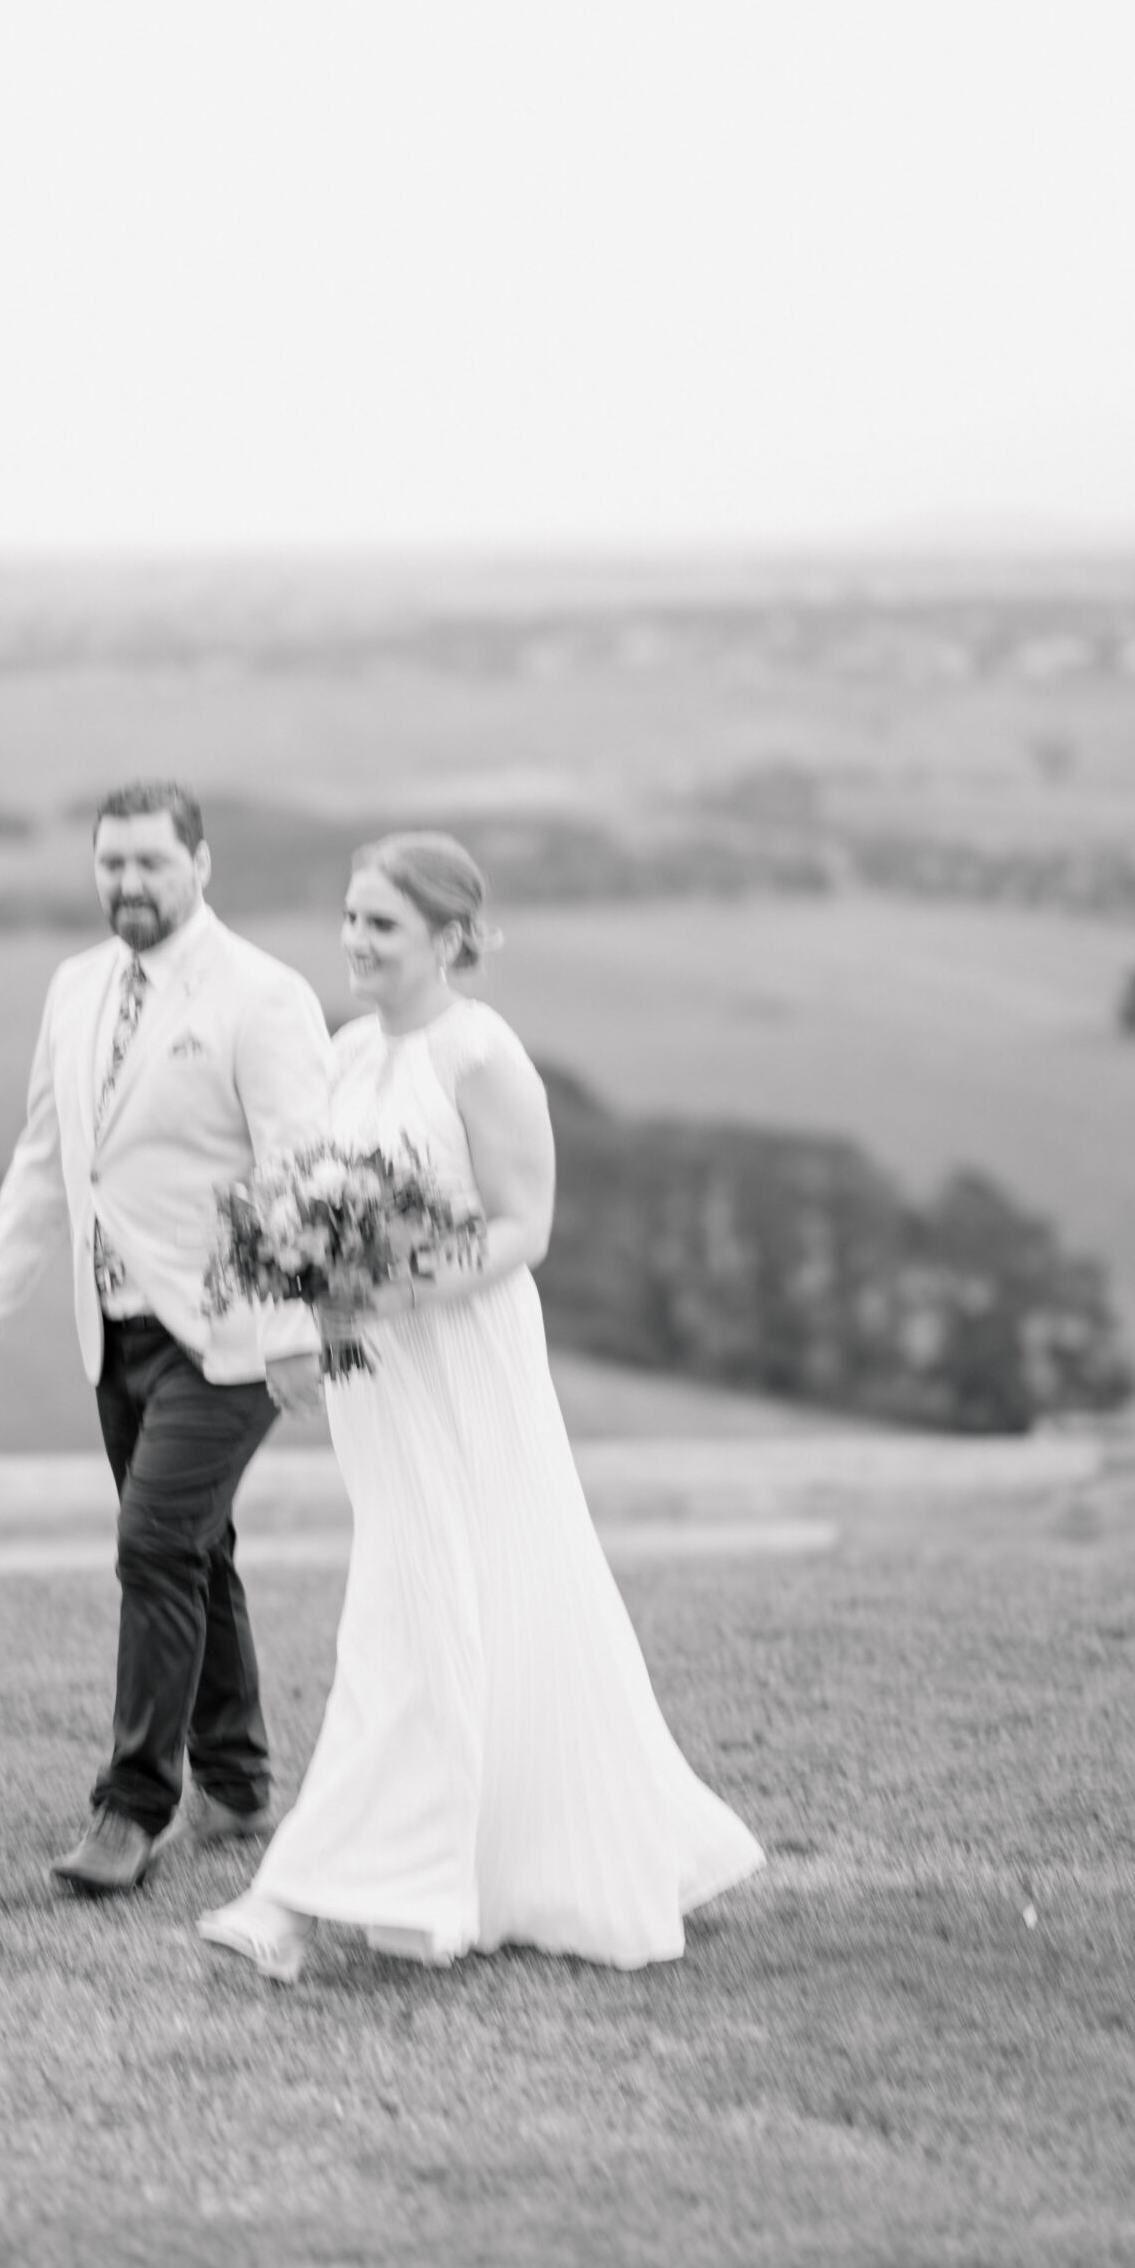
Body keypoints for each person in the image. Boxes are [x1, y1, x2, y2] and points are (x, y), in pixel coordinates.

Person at [198, 832, 764, 1982]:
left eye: (382, 924)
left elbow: (523, 1228)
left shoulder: (483, 1054)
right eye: (351, 918)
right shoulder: (348, 1052)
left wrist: (395, 1286)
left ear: (451, 937)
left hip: (464, 1359)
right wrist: (309, 1302)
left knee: (434, 1602)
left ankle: (296, 1897)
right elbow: (309, 1209)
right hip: (376, 1373)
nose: (356, 941)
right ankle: (459, 1865)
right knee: (428, 1595)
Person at [0, 782, 329, 1895]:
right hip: (112, 1328)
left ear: (200, 864)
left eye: (151, 862)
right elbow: (48, 1154)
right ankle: (240, 1782)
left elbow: (298, 1173)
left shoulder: (264, 995)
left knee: (155, 1543)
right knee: (196, 1549)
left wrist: (294, 1328)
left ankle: (132, 1807)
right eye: (110, 863)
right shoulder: (74, 986)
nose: (128, 883)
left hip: (228, 1333)